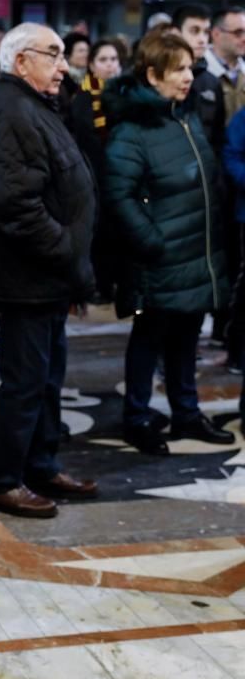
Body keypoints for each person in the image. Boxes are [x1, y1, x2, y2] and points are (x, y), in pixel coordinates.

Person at [0, 23, 98, 519]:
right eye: (54, 54)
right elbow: (18, 206)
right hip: (28, 276)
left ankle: (41, 464)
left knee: (46, 380)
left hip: (45, 278)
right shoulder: (13, 112)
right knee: (25, 383)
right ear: (21, 60)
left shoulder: (29, 105)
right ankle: (4, 479)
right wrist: (66, 246)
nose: (63, 65)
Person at [104, 32, 233, 455]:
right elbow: (119, 195)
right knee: (150, 338)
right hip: (160, 258)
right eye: (178, 69)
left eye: (190, 68)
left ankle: (187, 413)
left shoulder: (185, 115)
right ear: (152, 74)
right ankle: (137, 418)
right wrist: (153, 242)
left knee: (186, 339)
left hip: (195, 252)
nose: (188, 77)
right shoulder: (133, 130)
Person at [68, 39, 122, 300]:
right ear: (92, 65)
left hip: (119, 172)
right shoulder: (84, 96)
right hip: (95, 174)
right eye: (103, 60)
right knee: (99, 232)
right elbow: (84, 137)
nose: (110, 65)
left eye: (114, 60)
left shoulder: (124, 94)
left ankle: (112, 281)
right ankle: (99, 284)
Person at [174, 4, 225, 155]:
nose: (202, 39)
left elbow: (217, 137)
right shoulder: (161, 78)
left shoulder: (212, 82)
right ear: (176, 33)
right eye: (194, 31)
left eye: (205, 32)